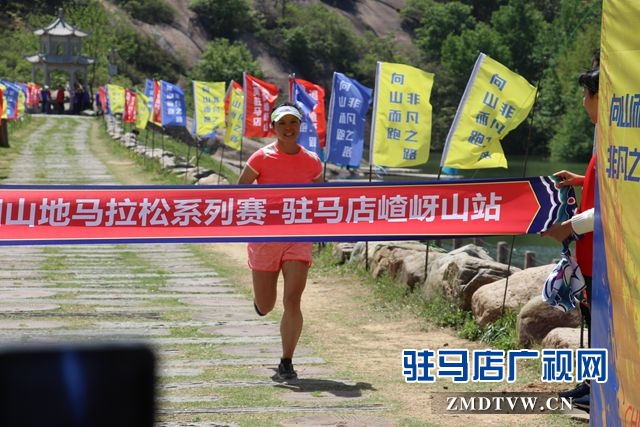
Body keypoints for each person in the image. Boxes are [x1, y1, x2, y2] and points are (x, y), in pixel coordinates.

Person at [237, 102, 323, 380]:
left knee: (293, 299)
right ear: (273, 128)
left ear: (300, 126)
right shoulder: (260, 158)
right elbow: (239, 192)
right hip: (265, 237)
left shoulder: (312, 161)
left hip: (298, 237)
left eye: (293, 123)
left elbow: (325, 199)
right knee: (267, 304)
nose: (288, 128)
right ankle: (260, 304)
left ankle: (287, 360)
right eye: (282, 123)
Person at [541, 66, 599, 411]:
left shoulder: (619, 137)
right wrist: (582, 181)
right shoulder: (609, 137)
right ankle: (590, 384)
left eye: (586, 95)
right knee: (593, 320)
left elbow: (612, 206)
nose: (583, 102)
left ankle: (598, 391)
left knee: (602, 323)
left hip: (601, 254)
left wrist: (568, 228)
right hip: (592, 254)